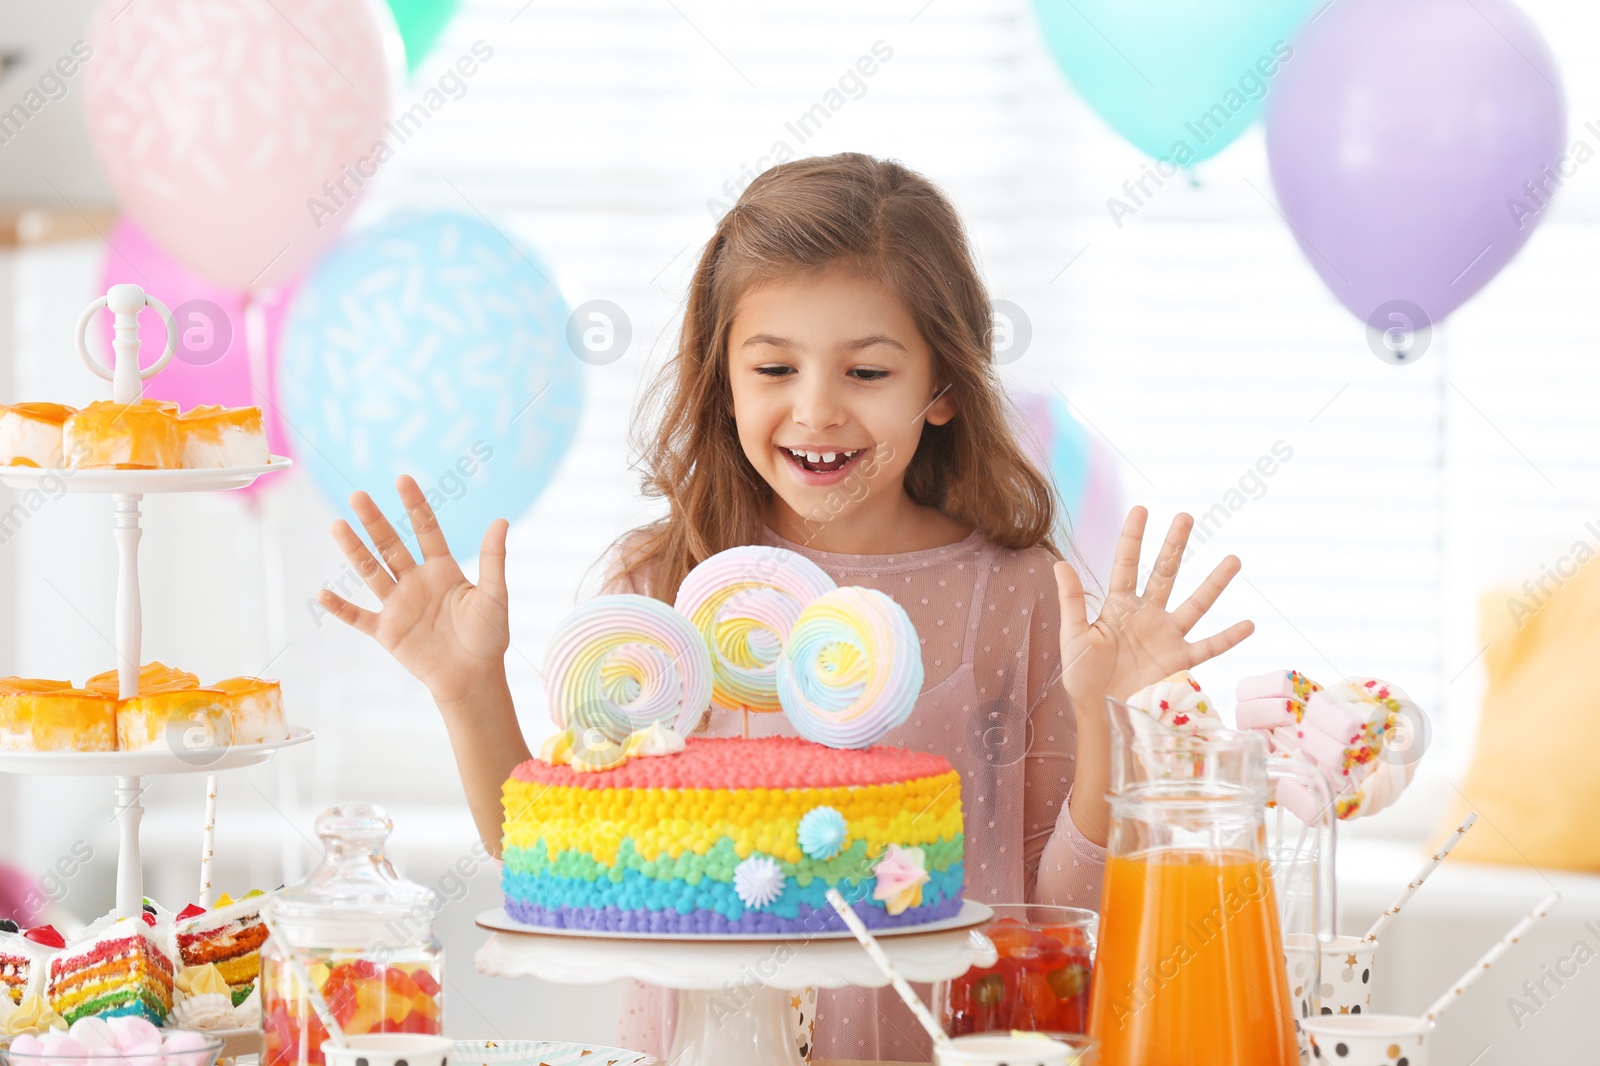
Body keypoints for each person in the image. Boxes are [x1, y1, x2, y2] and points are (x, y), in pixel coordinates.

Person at [318, 152, 1253, 1061]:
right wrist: (469, 685)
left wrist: (1107, 715)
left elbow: (1067, 906)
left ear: (943, 387)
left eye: (868, 372)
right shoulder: (661, 587)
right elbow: (554, 863)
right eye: (774, 369)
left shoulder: (1015, 595)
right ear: (721, 379)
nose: (816, 410)